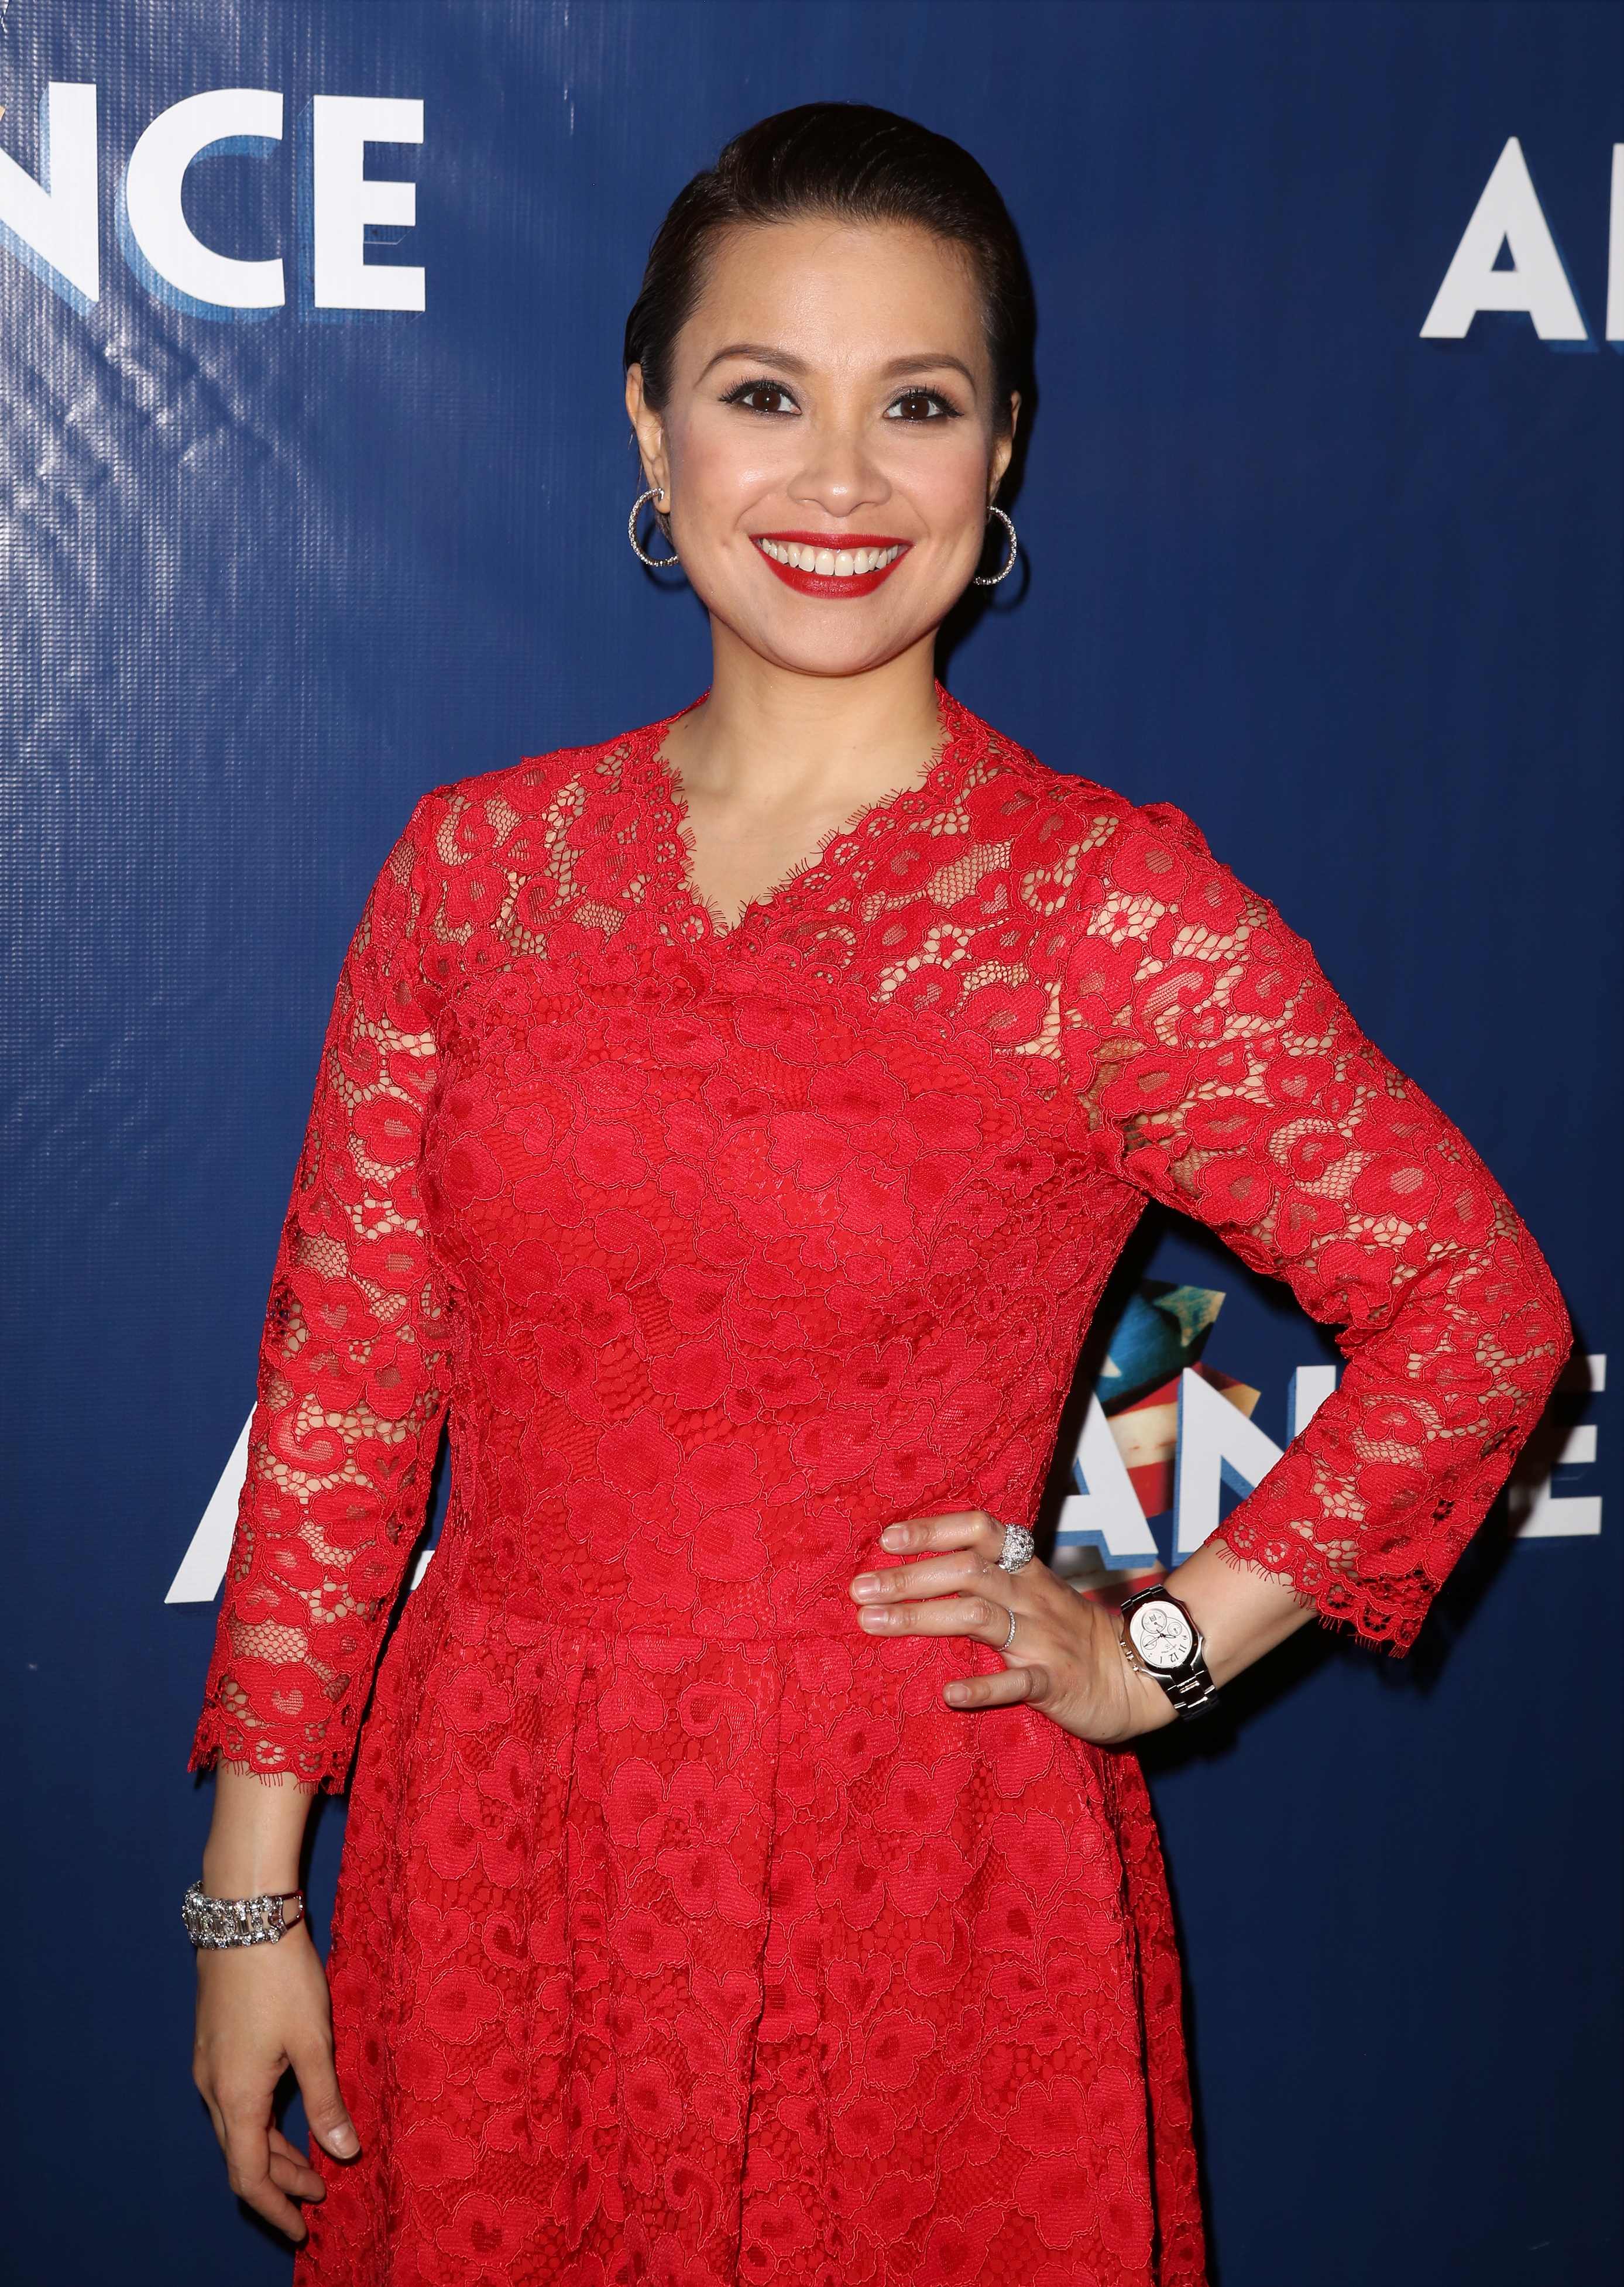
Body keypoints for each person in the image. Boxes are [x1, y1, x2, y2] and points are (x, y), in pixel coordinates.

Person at [186, 103, 1568, 2287]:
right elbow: (353, 1387)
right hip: (501, 1834)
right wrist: (257, 1897)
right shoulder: (472, 873)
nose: (838, 485)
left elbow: (1479, 1315)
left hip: (912, 1860)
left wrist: (1164, 1644)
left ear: (1000, 453)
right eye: (764, 397)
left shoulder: (1111, 914)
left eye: (915, 406)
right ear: (648, 423)